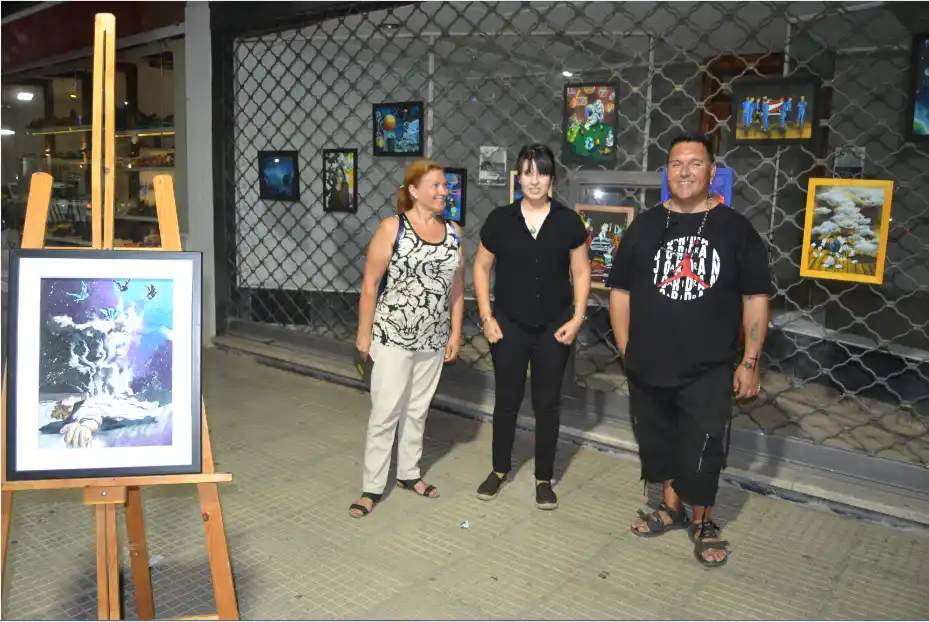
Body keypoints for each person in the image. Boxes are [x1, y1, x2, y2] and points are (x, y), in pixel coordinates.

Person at [607, 133, 772, 567]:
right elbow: (619, 291)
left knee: (702, 446)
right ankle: (670, 507)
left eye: (694, 163)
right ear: (667, 172)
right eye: (676, 163)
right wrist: (626, 347)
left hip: (709, 366)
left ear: (712, 172)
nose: (684, 171)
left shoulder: (736, 229)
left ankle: (703, 521)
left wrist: (750, 361)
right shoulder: (644, 226)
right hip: (648, 362)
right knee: (658, 441)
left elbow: (755, 298)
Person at [473, 143, 591, 510]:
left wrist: (577, 318)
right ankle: (498, 470)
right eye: (527, 172)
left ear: (552, 178)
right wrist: (487, 318)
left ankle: (544, 478)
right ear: (518, 177)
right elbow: (480, 268)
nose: (534, 179)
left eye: (541, 172)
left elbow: (581, 270)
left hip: (554, 328)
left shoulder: (568, 221)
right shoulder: (500, 219)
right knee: (506, 402)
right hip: (507, 326)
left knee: (547, 405)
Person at [349, 159, 465, 518]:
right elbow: (370, 284)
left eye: (445, 186)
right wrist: (364, 334)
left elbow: (457, 287)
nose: (444, 191)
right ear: (414, 191)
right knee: (386, 413)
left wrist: (455, 332)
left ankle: (408, 474)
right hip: (392, 336)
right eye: (436, 186)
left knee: (418, 410)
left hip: (432, 338)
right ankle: (371, 487)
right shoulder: (391, 228)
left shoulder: (455, 232)